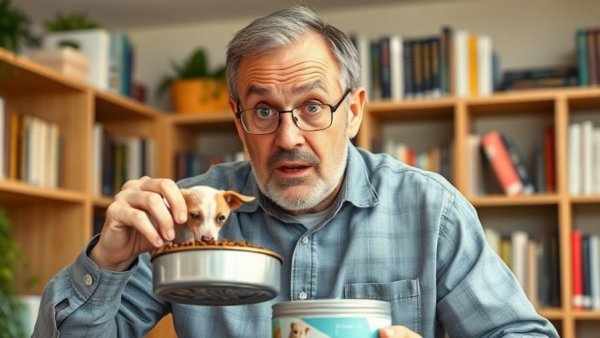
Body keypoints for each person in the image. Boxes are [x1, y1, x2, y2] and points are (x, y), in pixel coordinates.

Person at [34, 5, 559, 338]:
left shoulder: (431, 210)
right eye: (263, 111)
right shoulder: (187, 213)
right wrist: (105, 262)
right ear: (238, 122)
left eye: (312, 106)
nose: (287, 137)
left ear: (353, 111)